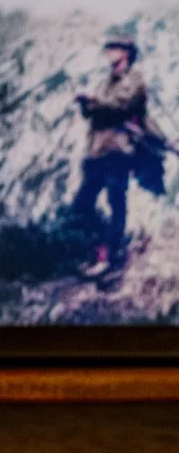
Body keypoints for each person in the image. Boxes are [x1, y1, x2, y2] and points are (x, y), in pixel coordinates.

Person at [71, 32, 163, 279]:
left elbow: (121, 105)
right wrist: (86, 105)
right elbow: (93, 113)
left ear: (126, 53)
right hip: (97, 151)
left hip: (119, 151)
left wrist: (92, 100)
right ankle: (106, 246)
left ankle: (107, 257)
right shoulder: (105, 83)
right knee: (82, 204)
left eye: (113, 48)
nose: (108, 52)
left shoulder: (134, 80)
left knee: (116, 202)